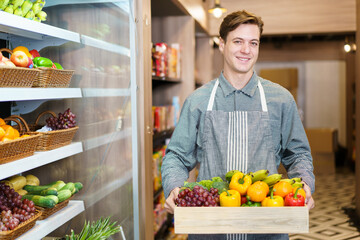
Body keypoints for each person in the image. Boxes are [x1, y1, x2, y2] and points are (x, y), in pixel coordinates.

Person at [161, 10, 315, 240]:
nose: (246, 50)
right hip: (210, 229)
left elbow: (299, 153)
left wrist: (304, 182)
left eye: (253, 42)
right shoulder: (198, 100)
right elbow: (176, 156)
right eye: (238, 41)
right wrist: (174, 186)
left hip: (267, 228)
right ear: (222, 44)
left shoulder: (280, 99)